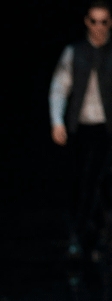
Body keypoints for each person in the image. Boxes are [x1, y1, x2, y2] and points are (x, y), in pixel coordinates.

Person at [49, 0, 112, 260]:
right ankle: (81, 235)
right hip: (81, 128)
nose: (98, 27)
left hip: (107, 128)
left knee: (101, 183)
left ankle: (93, 236)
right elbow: (59, 87)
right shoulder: (74, 52)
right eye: (94, 21)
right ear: (87, 22)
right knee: (81, 183)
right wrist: (57, 121)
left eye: (104, 21)